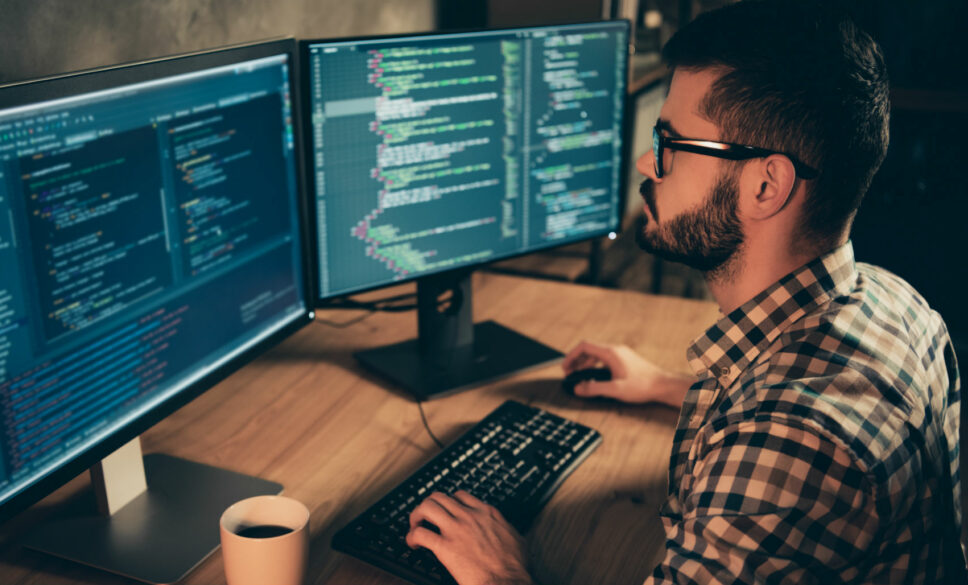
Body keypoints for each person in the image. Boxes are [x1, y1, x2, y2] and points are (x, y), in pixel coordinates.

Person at [403, 0, 964, 583]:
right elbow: (789, 415)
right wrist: (660, 386)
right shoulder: (897, 305)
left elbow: (789, 444)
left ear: (765, 184)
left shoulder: (787, 450)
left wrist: (501, 573)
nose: (648, 161)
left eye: (670, 142)